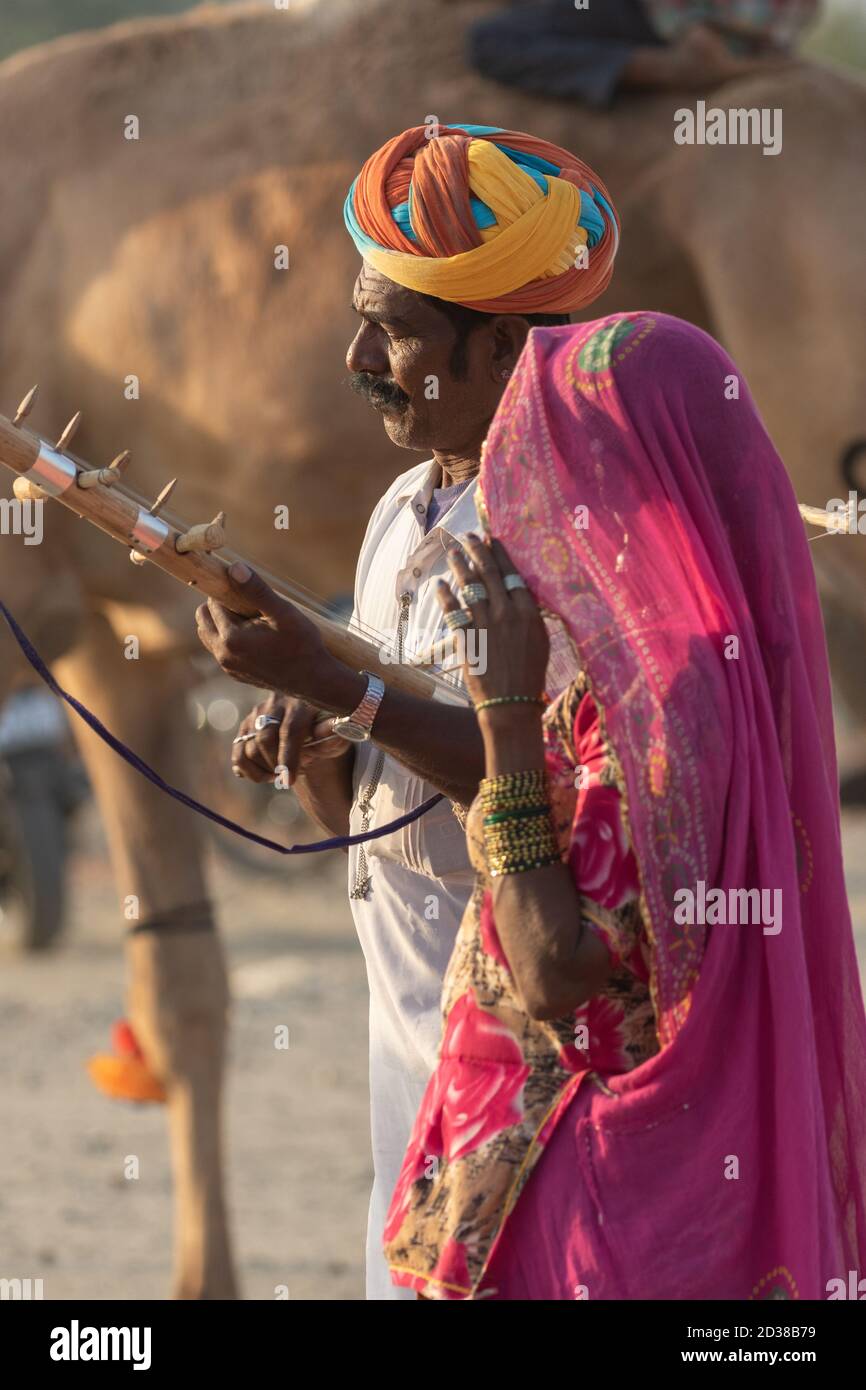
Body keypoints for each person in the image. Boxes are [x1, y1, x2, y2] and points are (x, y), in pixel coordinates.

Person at [194, 122, 620, 1298]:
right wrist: (316, 728)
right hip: (410, 1047)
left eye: (391, 329)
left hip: (528, 1068)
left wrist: (337, 685)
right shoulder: (401, 507)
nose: (356, 358)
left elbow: (554, 784)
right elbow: (372, 805)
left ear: (498, 344)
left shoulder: (570, 532)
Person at [382, 311, 866, 1300]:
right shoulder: (686, 673)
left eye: (546, 455)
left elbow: (558, 968)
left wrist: (507, 715)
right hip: (577, 1179)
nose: (525, 488)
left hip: (591, 1195)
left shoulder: (657, 698)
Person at [463, 0, 819, 108]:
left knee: (492, 41)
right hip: (703, 31)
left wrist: (689, 27)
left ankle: (660, 70)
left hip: (661, 24)